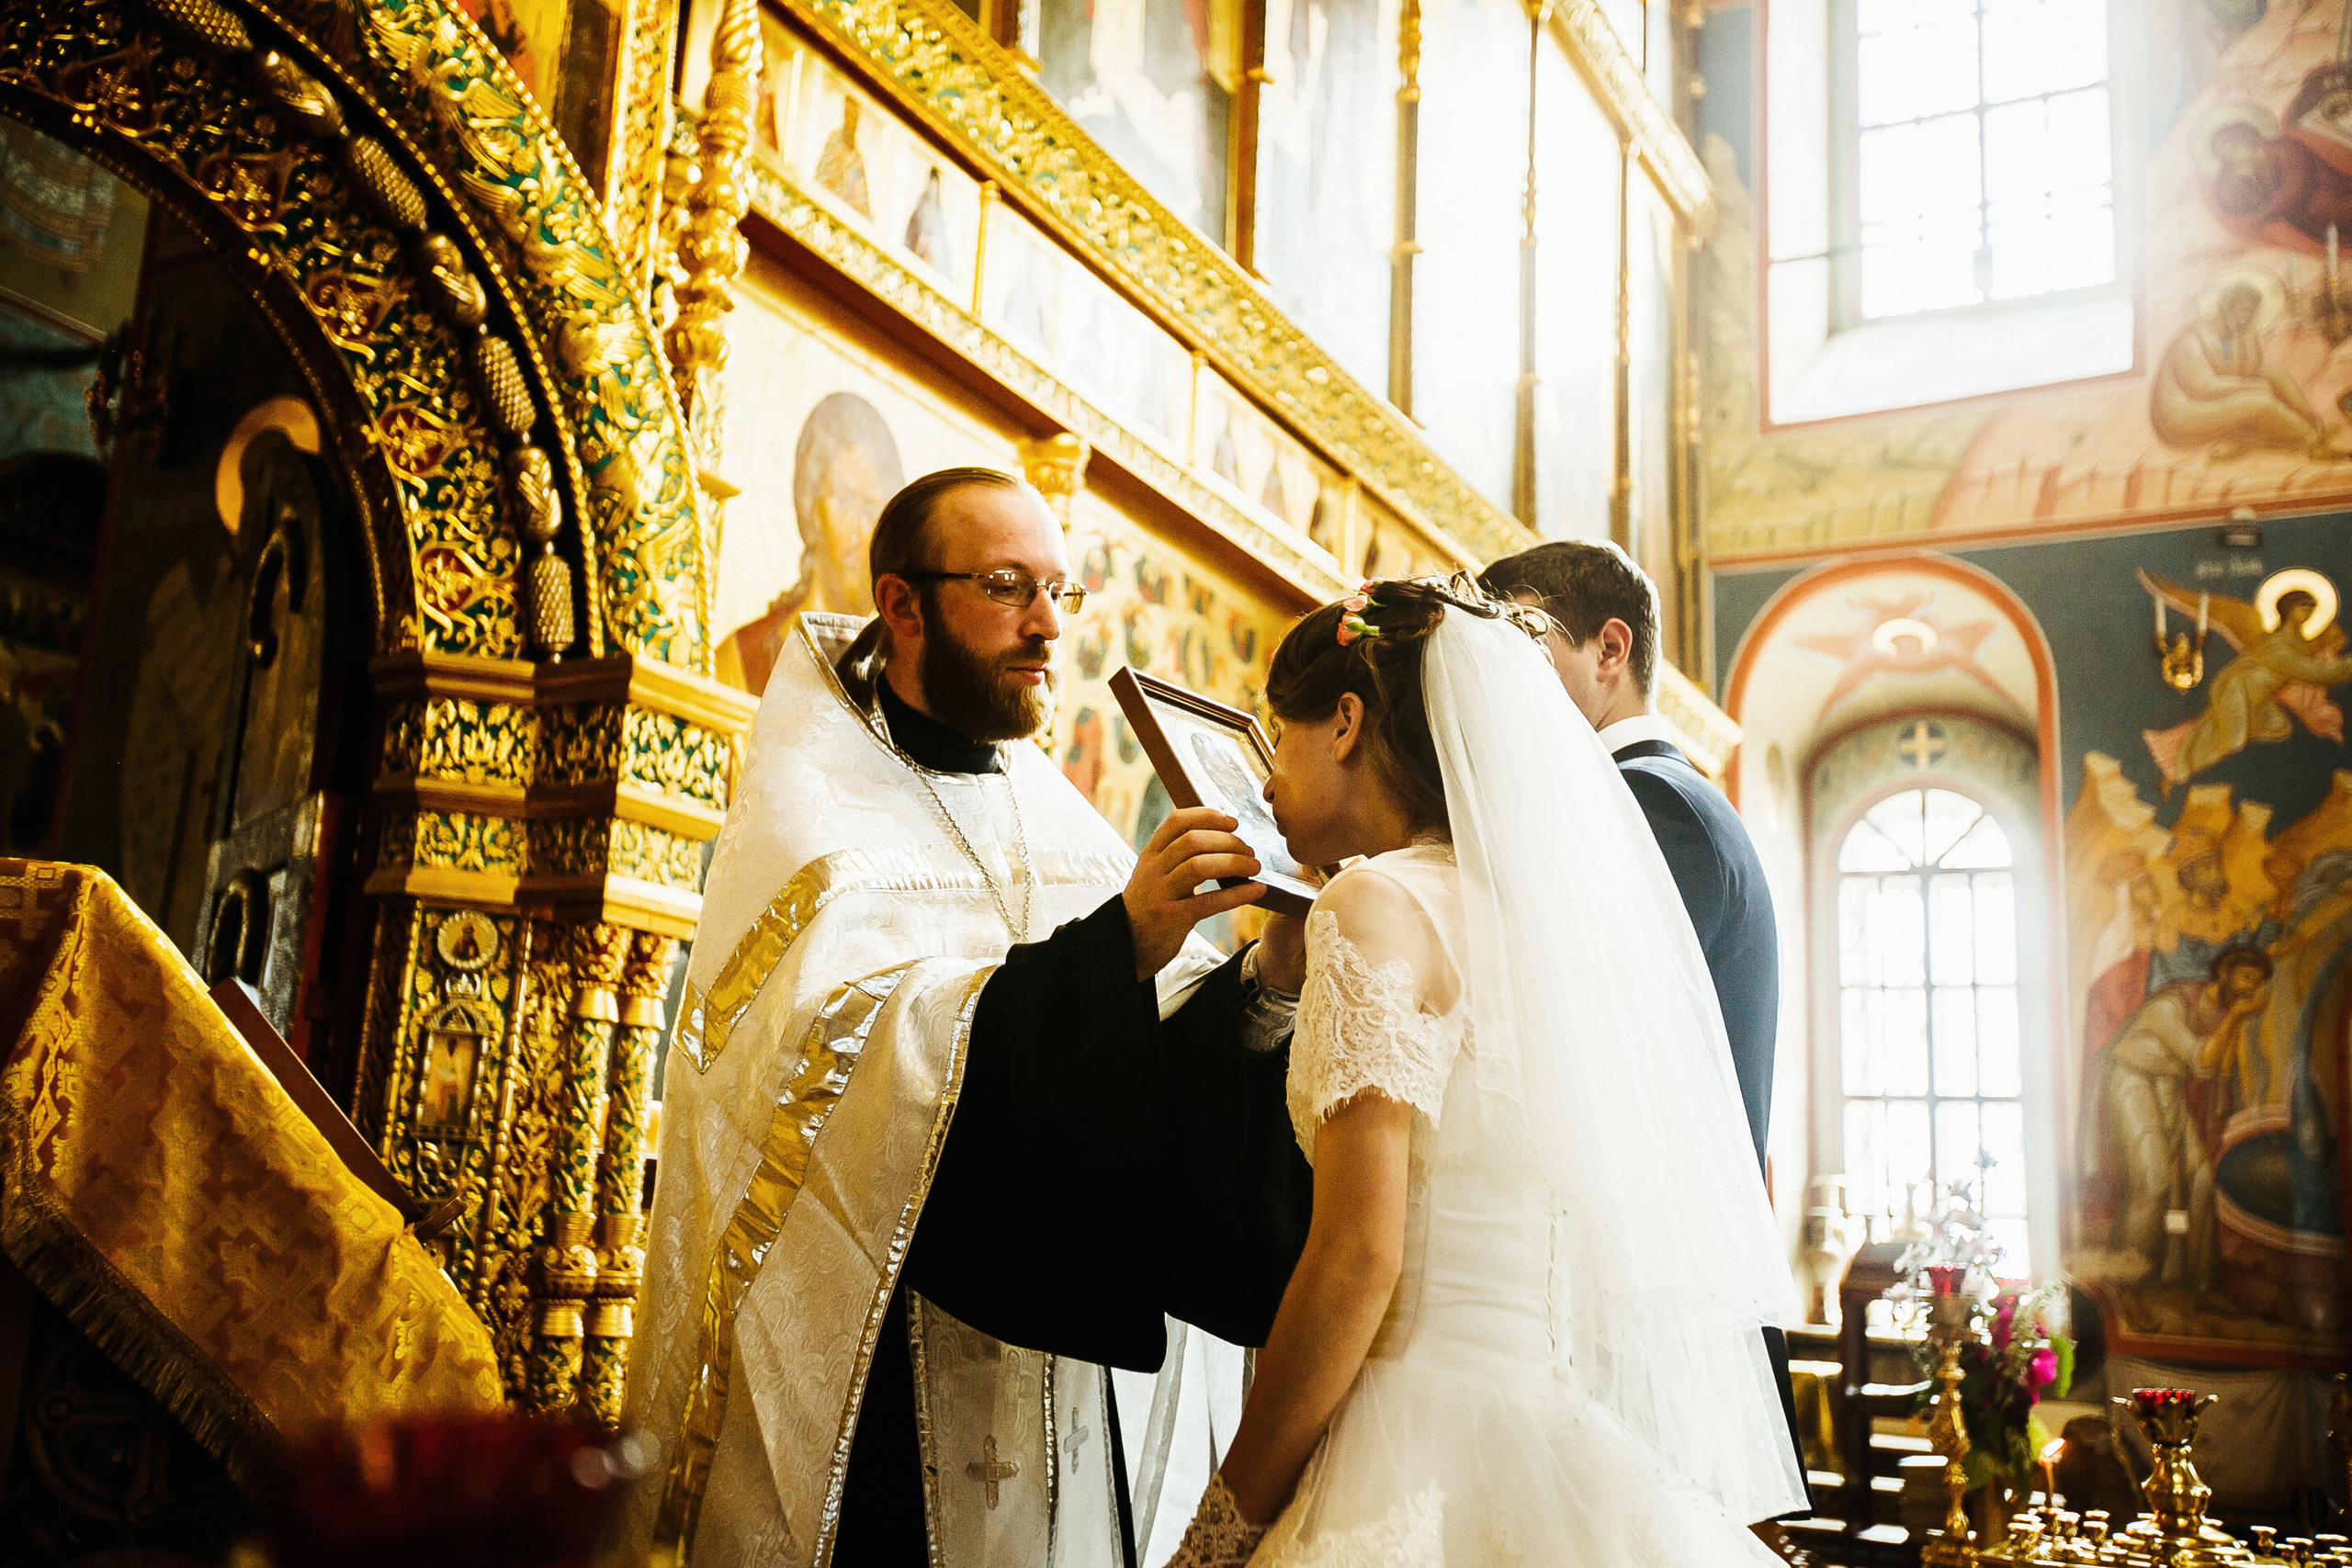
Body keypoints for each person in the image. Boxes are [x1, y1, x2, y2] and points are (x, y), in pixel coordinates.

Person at [622, 468, 1314, 1566]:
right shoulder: (818, 817)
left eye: (1060, 592)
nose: (1047, 627)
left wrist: (1261, 983)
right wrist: (1113, 953)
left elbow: (1142, 1072)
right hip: (880, 1390)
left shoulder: (1057, 817)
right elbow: (834, 1071)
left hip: (1060, 1405)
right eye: (1006, 588)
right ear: (901, 605)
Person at [1162, 578, 1806, 1565]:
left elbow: (1356, 1261)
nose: (1267, 779)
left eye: (1275, 735)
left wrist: (1219, 1531)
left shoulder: (1372, 904)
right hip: (1559, 1431)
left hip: (1412, 1433)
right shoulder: (1549, 929)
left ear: (1343, 723)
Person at [1479, 539, 1809, 1516]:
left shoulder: (1649, 806)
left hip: (1648, 1305)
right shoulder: (1655, 798)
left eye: (1518, 650)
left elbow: (1564, 1044)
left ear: (1607, 650)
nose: (1492, 688)